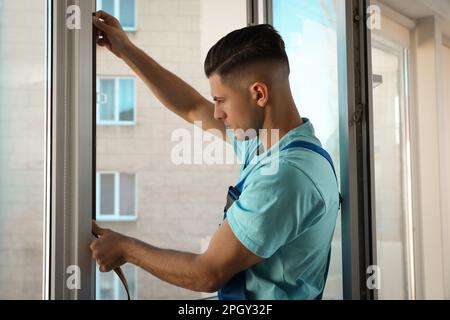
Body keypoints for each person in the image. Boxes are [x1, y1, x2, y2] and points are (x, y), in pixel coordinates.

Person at [90, 10, 340, 300]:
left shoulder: (288, 175)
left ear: (259, 94)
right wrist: (125, 48)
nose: (217, 113)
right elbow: (192, 107)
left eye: (221, 100)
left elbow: (207, 273)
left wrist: (126, 249)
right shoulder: (269, 144)